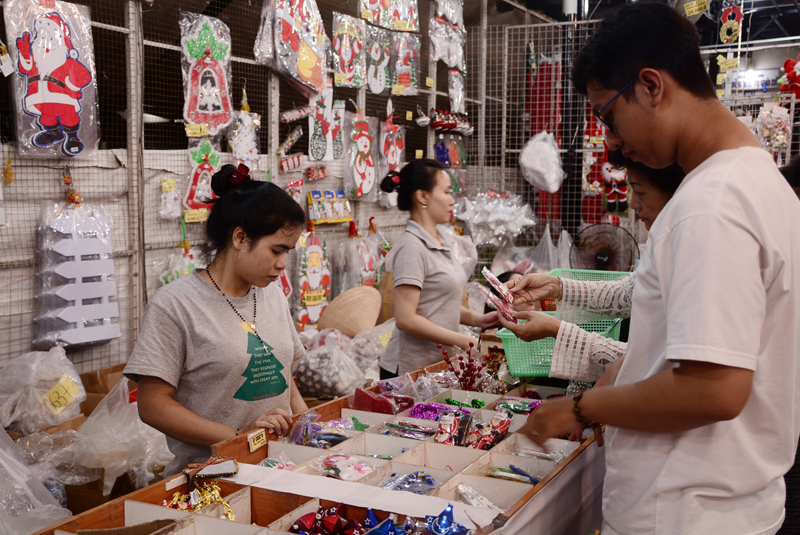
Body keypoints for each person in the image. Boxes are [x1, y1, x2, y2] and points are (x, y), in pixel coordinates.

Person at [499, 4, 800, 534]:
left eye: (609, 117)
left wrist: (583, 409)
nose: (612, 146)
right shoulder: (759, 181)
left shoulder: (712, 204)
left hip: (682, 511)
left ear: (651, 86)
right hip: (723, 504)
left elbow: (713, 390)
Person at [124, 164, 309, 477]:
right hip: (211, 477)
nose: (282, 264)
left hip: (280, 467)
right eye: (277, 250)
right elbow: (152, 405)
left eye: (288, 252)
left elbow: (282, 377)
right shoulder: (175, 305)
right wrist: (238, 437)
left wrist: (308, 425)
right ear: (240, 237)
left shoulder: (272, 296)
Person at [507, 152, 684, 383]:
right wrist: (555, 285)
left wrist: (558, 331)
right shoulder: (661, 241)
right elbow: (624, 293)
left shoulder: (687, 252)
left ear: (676, 196)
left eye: (640, 191)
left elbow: (654, 364)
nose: (631, 203)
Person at [378, 159, 497, 379]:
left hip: (435, 365)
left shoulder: (441, 239)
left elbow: (436, 303)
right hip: (408, 371)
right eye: (446, 192)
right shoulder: (412, 247)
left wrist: (478, 320)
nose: (452, 200)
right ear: (423, 196)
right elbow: (406, 318)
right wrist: (464, 340)